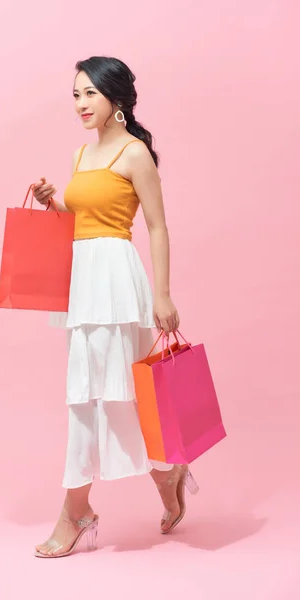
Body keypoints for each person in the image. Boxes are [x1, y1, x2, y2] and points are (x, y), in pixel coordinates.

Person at [33, 56, 198, 559]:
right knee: (86, 395)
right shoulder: (81, 156)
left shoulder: (134, 154)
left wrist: (164, 293)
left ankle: (86, 506)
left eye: (89, 94)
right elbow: (84, 214)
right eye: (76, 95)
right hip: (83, 283)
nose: (80, 104)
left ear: (115, 98)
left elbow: (156, 226)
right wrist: (53, 203)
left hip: (118, 284)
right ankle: (160, 477)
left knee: (124, 395)